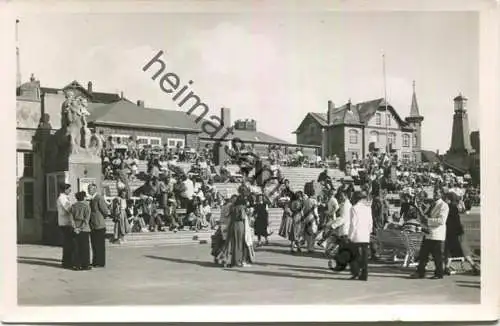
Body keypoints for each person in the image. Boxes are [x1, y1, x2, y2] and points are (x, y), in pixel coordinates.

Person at [411, 186, 449, 279]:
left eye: (437, 192)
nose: (435, 194)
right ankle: (420, 272)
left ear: (441, 194)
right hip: (428, 233)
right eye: (435, 192)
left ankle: (439, 274)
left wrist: (428, 220)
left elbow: (441, 221)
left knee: (437, 256)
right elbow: (424, 216)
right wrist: (419, 209)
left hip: (437, 234)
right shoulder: (432, 204)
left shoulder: (444, 205)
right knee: (423, 255)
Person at [443, 192, 480, 275]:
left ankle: (447, 267)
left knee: (450, 250)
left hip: (452, 232)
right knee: (463, 250)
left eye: (445, 198)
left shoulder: (448, 207)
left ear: (448, 199)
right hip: (457, 231)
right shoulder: (454, 207)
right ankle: (473, 266)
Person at [348, 190, 373, 281]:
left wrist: (350, 236)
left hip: (356, 234)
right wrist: (369, 232)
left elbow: (353, 223)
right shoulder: (368, 208)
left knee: (354, 254)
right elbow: (370, 222)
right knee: (365, 255)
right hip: (365, 234)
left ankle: (355, 272)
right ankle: (364, 273)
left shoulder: (354, 208)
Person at [88, 184, 110, 268]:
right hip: (93, 225)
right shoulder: (92, 198)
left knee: (99, 244)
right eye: (88, 188)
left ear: (95, 189)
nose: (89, 190)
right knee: (94, 244)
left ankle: (100, 262)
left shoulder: (99, 198)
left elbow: (105, 210)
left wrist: (101, 217)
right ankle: (95, 261)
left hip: (99, 224)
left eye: (91, 189)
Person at [70, 191, 92, 271]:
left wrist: (75, 228)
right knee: (85, 248)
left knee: (76, 247)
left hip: (75, 228)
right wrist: (81, 228)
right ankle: (85, 265)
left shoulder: (73, 206)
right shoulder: (87, 206)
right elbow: (86, 220)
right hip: (84, 229)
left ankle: (76, 264)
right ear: (84, 197)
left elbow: (71, 218)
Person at [57, 183, 75, 269]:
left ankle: (68, 261)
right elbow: (69, 209)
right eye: (69, 189)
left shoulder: (64, 198)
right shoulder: (62, 198)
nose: (70, 191)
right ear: (65, 190)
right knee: (68, 243)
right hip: (65, 223)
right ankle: (67, 262)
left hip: (66, 222)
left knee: (69, 243)